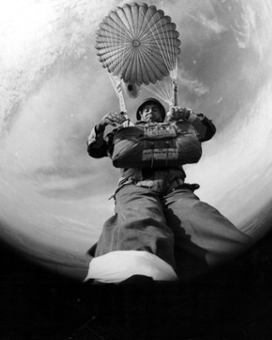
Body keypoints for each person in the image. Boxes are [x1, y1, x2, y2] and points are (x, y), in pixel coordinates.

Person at [84, 98, 251, 284]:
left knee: (202, 219)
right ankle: (129, 276)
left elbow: (207, 132)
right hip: (136, 187)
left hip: (176, 190)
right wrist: (101, 126)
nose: (150, 112)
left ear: (161, 114)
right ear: (140, 115)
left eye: (155, 109)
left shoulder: (177, 128)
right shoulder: (123, 131)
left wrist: (188, 116)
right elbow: (95, 149)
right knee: (138, 220)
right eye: (146, 110)